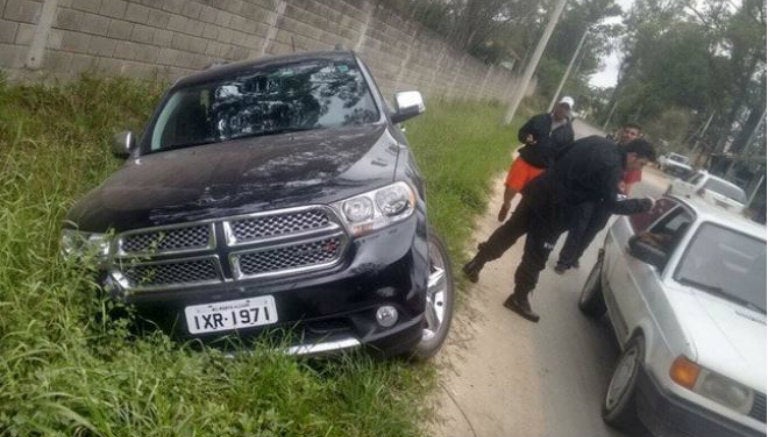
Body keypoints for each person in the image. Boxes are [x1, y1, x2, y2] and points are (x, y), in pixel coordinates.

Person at [462, 136, 655, 322]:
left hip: (539, 190)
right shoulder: (612, 167)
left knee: (509, 231)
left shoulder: (595, 140)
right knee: (537, 254)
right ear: (633, 155)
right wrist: (644, 204)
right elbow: (613, 204)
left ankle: (475, 264)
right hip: (557, 210)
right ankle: (519, 299)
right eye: (642, 164)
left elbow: (558, 154)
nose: (639, 168)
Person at [553, 122, 643, 273]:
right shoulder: (609, 147)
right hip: (592, 195)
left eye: (632, 133)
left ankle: (575, 257)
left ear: (638, 137)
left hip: (608, 201)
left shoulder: (637, 160)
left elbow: (626, 189)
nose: (628, 135)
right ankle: (564, 261)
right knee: (578, 227)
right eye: (626, 131)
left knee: (593, 230)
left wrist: (618, 202)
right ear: (621, 132)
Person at [497, 96, 575, 222]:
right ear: (556, 104)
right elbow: (522, 132)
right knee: (511, 188)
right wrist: (526, 137)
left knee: (530, 197)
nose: (563, 110)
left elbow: (565, 155)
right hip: (525, 160)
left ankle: (516, 217)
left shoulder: (569, 133)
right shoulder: (539, 119)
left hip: (543, 169)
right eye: (562, 106)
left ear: (569, 112)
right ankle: (506, 205)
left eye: (566, 108)